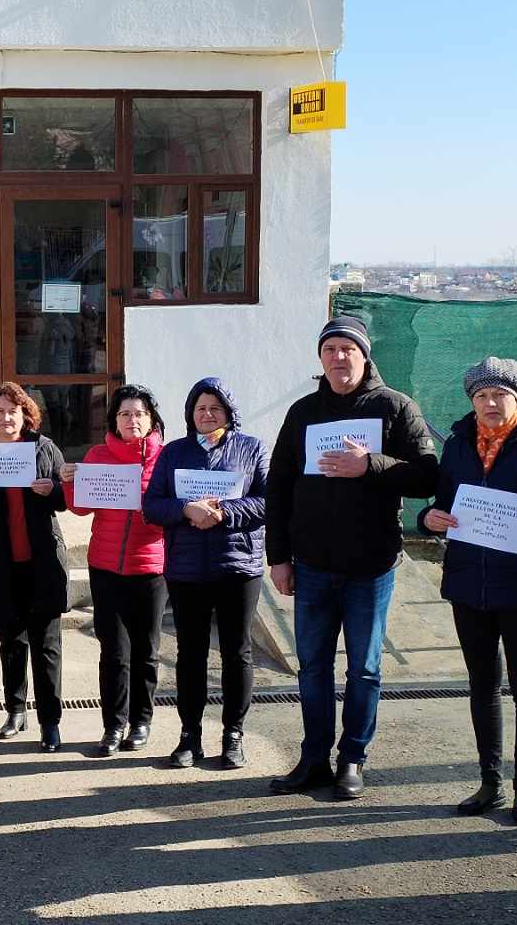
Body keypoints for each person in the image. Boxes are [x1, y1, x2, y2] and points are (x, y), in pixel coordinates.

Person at [265, 314, 440, 800]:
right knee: (312, 667)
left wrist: (371, 465)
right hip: (312, 564)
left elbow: (428, 475)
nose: (339, 357)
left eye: (348, 349)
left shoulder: (395, 407)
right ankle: (313, 758)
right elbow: (278, 486)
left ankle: (352, 759)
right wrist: (279, 556)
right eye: (330, 350)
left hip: (371, 565)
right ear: (321, 359)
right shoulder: (303, 412)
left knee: (363, 668)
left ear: (365, 355)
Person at [419, 357, 517, 826]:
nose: (490, 403)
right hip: (470, 583)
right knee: (482, 686)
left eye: (500, 394)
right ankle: (490, 781)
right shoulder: (459, 443)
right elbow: (444, 503)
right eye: (481, 395)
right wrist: (428, 518)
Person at [142, 378, 269, 770]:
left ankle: (233, 735)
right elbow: (152, 505)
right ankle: (189, 736)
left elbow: (268, 501)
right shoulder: (173, 452)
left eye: (215, 408)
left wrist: (224, 513)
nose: (207, 414)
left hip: (238, 565)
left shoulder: (252, 449)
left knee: (236, 651)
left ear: (229, 413)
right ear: (190, 414)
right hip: (187, 568)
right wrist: (186, 510)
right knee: (190, 654)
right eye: (200, 408)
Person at [0, 383, 71, 751]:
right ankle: (15, 710)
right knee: (11, 644)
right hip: (1, 565)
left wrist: (51, 490)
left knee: (47, 647)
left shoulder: (43, 447)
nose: (6, 417)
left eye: (13, 411)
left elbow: (65, 499)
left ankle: (50, 721)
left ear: (26, 415)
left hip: (42, 563)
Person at [62, 384, 168, 758]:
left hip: (150, 566)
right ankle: (113, 724)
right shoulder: (98, 455)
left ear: (152, 419)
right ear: (115, 420)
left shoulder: (166, 459)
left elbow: (174, 512)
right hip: (105, 566)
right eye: (125, 414)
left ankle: (141, 721)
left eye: (139, 414)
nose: (132, 420)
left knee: (146, 649)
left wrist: (150, 509)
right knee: (113, 651)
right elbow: (79, 508)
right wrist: (69, 482)